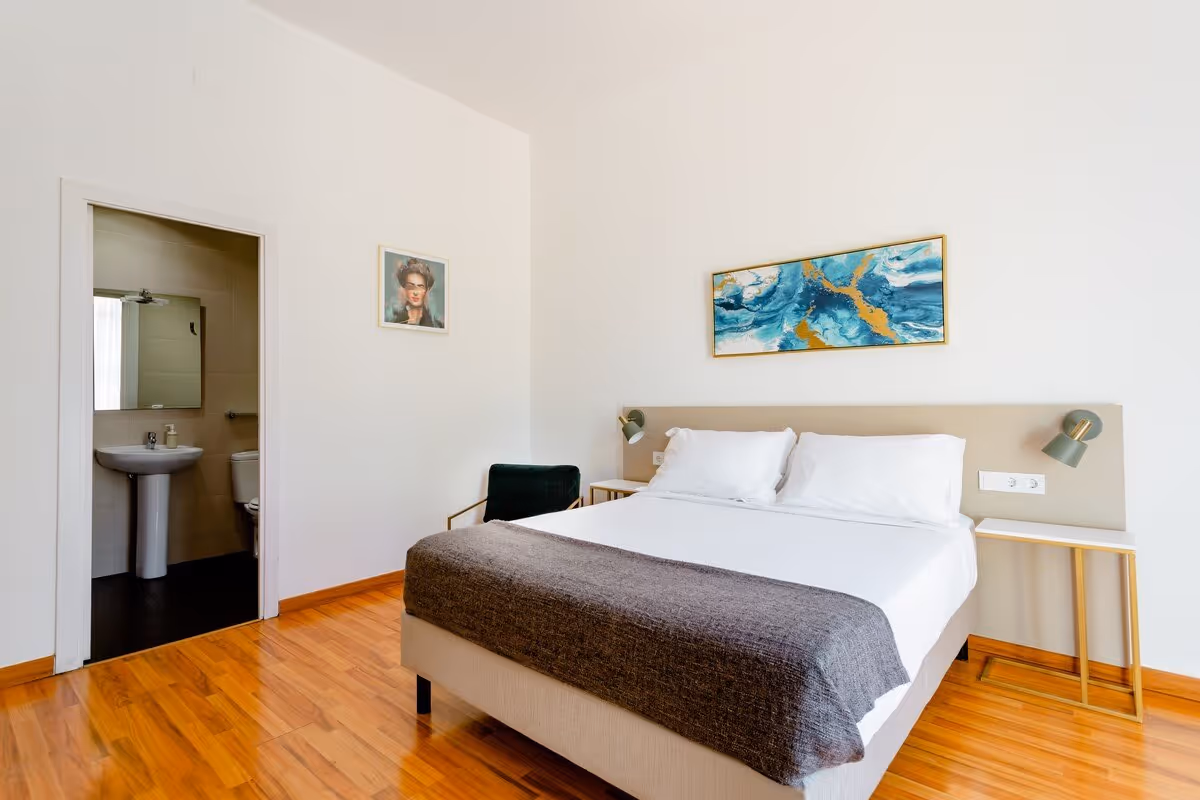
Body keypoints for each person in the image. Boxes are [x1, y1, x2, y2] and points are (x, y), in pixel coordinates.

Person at [387, 258, 443, 328]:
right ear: (405, 288)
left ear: (426, 290)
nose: (415, 293)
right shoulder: (394, 322)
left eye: (420, 287)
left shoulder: (437, 326)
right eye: (411, 287)